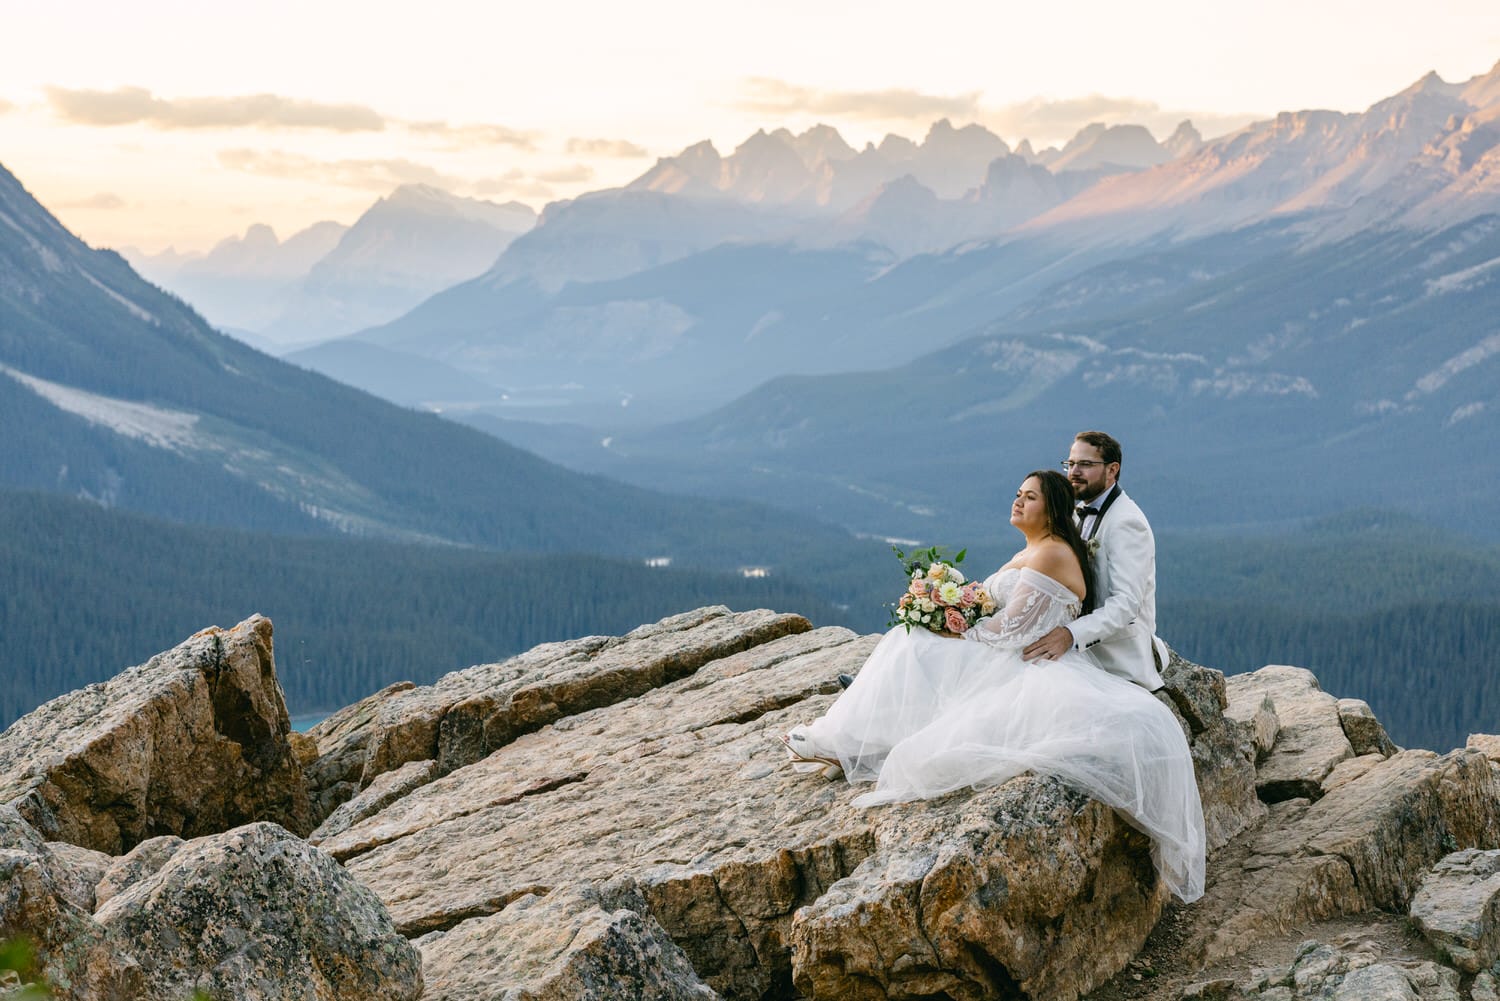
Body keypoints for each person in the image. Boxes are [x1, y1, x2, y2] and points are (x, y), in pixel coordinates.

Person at [783, 469, 1205, 902]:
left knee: (911, 642)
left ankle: (842, 742)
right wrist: (948, 610)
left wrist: (952, 630)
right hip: (1004, 650)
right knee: (912, 641)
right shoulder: (1037, 548)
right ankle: (852, 735)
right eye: (1018, 494)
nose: (1018, 502)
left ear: (1053, 509)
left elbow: (1012, 629)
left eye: (1030, 498)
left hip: (1020, 660)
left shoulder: (1052, 554)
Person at [1022, 431, 1168, 691]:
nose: (1074, 472)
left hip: (1116, 656)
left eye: (1086, 465)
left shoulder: (1126, 523)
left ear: (1112, 470)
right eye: (1071, 464)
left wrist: (1069, 635)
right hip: (1077, 645)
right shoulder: (1078, 513)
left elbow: (1125, 604)